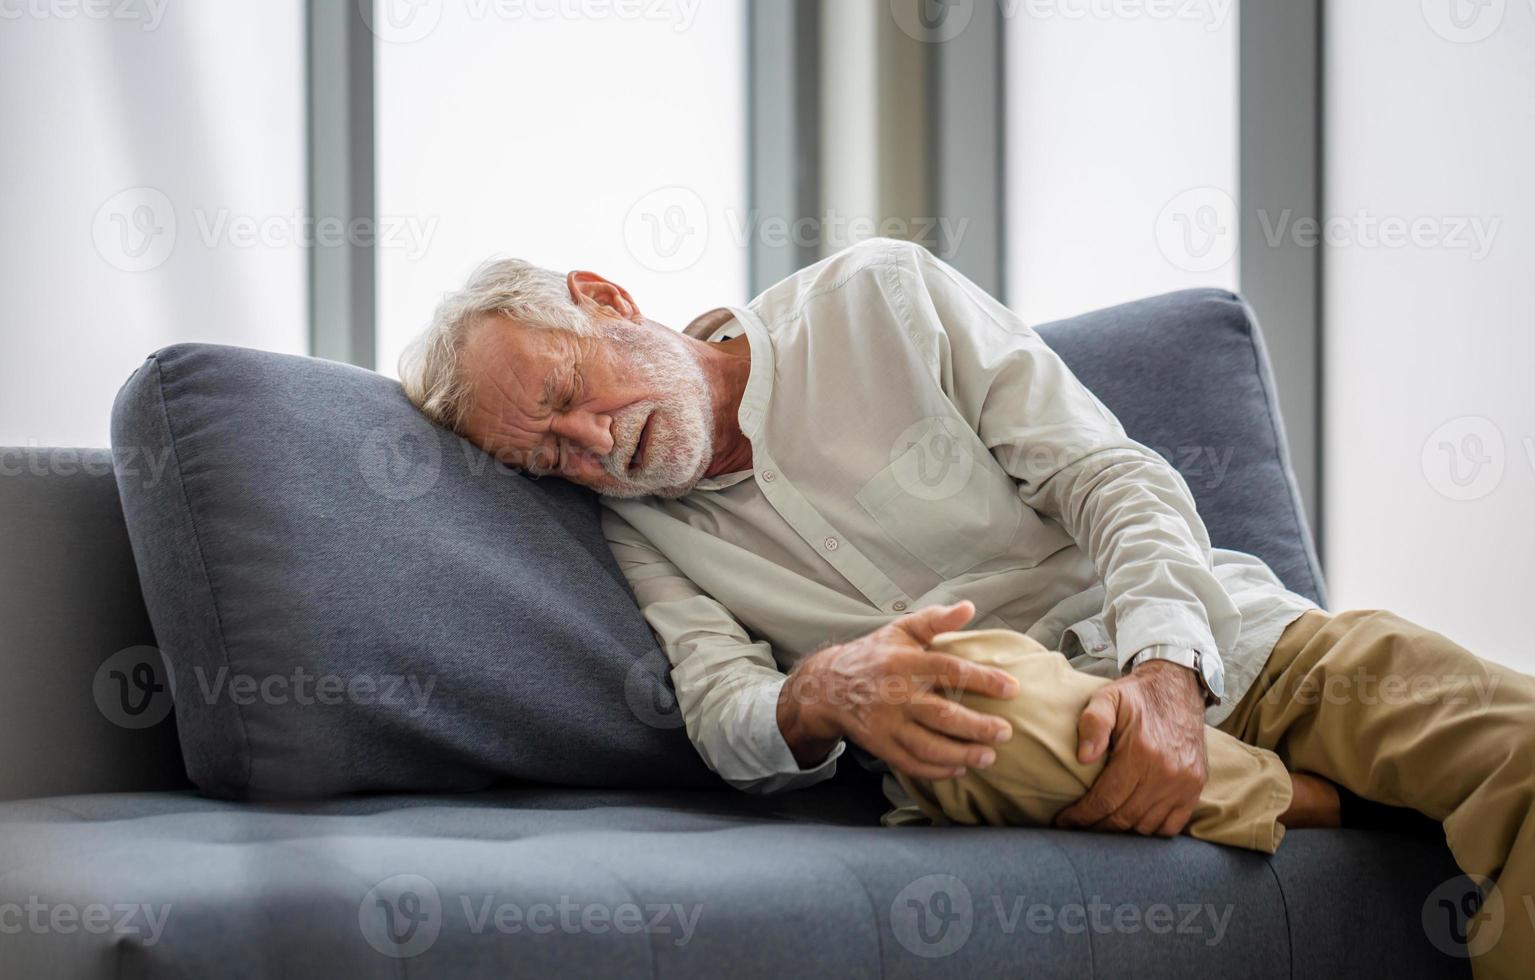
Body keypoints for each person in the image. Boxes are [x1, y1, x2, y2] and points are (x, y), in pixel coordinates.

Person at [400, 239, 1533, 979]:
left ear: (603, 298)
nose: (590, 444)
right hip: (1013, 736)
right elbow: (721, 707)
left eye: (563, 395)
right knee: (953, 689)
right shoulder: (638, 528)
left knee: (1516, 744)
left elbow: (1113, 480)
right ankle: (1338, 801)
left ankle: (1323, 794)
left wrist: (1164, 676)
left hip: (1230, 637)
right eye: (549, 452)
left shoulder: (874, 297)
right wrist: (822, 688)